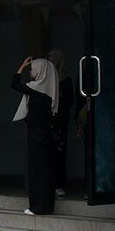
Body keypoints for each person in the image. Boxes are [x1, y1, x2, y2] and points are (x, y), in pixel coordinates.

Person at [12, 56, 59, 216]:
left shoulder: (36, 90)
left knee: (37, 170)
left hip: (36, 134)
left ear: (40, 70)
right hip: (46, 134)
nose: (31, 71)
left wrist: (22, 67)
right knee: (45, 170)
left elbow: (14, 84)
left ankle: (38, 207)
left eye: (32, 68)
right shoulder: (49, 90)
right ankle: (45, 206)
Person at [47, 49, 75, 198]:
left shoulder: (65, 80)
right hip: (47, 120)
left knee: (59, 151)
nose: (50, 64)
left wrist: (60, 97)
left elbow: (70, 101)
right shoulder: (45, 79)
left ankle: (59, 184)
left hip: (60, 121)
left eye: (53, 61)